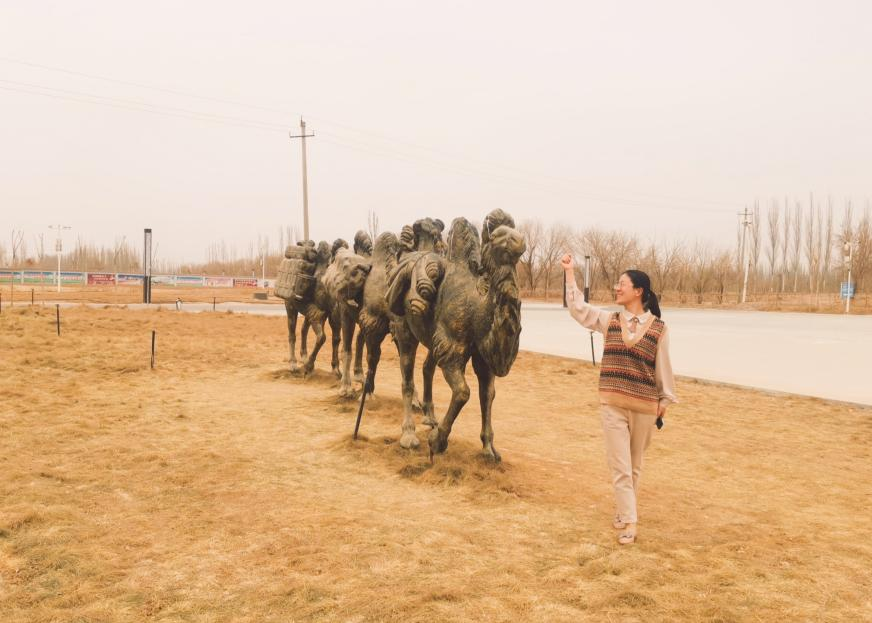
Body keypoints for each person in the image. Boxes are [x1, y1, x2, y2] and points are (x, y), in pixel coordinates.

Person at [561, 254, 677, 545]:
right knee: (620, 467)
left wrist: (664, 400)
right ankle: (631, 522)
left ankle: (625, 511)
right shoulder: (608, 320)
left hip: (645, 407)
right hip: (612, 404)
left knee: (634, 466)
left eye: (622, 284)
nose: (616, 287)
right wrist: (569, 272)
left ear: (638, 291)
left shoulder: (659, 329)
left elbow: (662, 367)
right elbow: (577, 308)